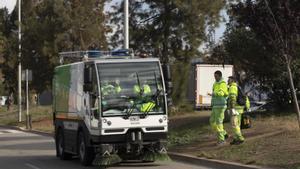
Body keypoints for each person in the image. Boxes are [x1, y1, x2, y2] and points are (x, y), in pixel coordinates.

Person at [208, 71, 229, 145]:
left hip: (220, 106)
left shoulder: (222, 84)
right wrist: (212, 103)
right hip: (215, 106)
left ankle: (222, 140)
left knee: (219, 123)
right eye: (214, 76)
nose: (215, 77)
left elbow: (222, 93)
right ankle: (224, 133)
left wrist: (213, 94)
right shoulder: (215, 84)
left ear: (220, 76)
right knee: (212, 121)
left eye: (216, 76)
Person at [227, 76, 250, 145]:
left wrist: (232, 108)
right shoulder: (238, 87)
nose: (228, 81)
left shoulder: (232, 87)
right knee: (238, 125)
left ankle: (240, 138)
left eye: (229, 80)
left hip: (235, 109)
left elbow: (232, 98)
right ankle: (236, 139)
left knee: (234, 124)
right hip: (240, 109)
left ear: (232, 80)